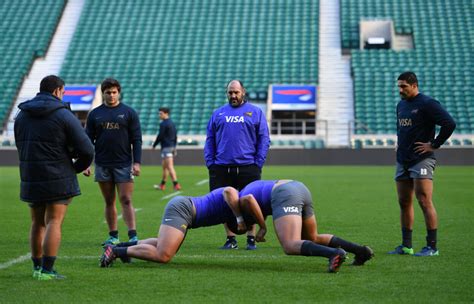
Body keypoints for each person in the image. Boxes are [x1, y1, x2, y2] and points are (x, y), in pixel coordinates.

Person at [14, 75, 94, 280]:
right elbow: (87, 149)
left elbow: (20, 144)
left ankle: (36, 268)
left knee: (37, 222)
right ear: (58, 91)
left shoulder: (22, 114)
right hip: (58, 175)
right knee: (54, 222)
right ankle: (48, 270)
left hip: (31, 175)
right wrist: (76, 168)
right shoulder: (63, 115)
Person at [235, 180, 374, 272]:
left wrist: (263, 227)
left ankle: (334, 254)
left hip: (284, 193)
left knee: (290, 244)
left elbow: (249, 200)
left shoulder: (241, 199)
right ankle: (360, 251)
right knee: (312, 237)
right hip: (298, 187)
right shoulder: (250, 187)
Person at [390, 71, 456, 257]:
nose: (400, 90)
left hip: (421, 159)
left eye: (403, 86)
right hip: (403, 159)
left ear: (414, 85)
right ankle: (406, 246)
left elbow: (449, 123)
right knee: (404, 202)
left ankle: (432, 247)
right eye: (399, 86)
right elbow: (401, 128)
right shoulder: (401, 105)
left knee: (424, 201)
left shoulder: (428, 103)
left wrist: (434, 144)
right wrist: (399, 143)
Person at [99, 186, 243, 267]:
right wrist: (242, 219)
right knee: (164, 255)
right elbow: (229, 190)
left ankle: (124, 247)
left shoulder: (238, 203)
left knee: (164, 246)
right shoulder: (236, 195)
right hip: (183, 209)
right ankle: (116, 251)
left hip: (185, 211)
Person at [204, 79, 270, 250]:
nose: (233, 95)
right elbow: (210, 139)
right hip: (221, 167)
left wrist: (258, 162)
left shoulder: (255, 112)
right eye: (230, 92)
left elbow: (264, 139)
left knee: (250, 202)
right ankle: (230, 238)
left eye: (236, 92)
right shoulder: (218, 113)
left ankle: (251, 238)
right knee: (222, 203)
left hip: (248, 167)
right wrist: (211, 163)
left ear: (243, 92)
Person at [84, 78, 143, 246]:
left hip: (124, 163)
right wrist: (86, 163)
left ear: (119, 93)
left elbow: (136, 139)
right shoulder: (95, 114)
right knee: (109, 201)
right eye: (108, 92)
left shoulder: (129, 113)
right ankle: (113, 235)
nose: (111, 95)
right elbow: (88, 141)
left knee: (126, 199)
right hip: (102, 164)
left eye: (114, 92)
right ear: (103, 93)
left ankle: (132, 235)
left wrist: (137, 162)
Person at [152, 107, 181, 191]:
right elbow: (175, 136)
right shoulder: (172, 123)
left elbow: (160, 136)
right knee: (164, 167)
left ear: (166, 113)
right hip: (171, 147)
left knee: (170, 167)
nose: (159, 115)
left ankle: (176, 184)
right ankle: (162, 184)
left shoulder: (163, 124)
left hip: (166, 148)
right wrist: (174, 147)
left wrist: (154, 145)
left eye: (161, 113)